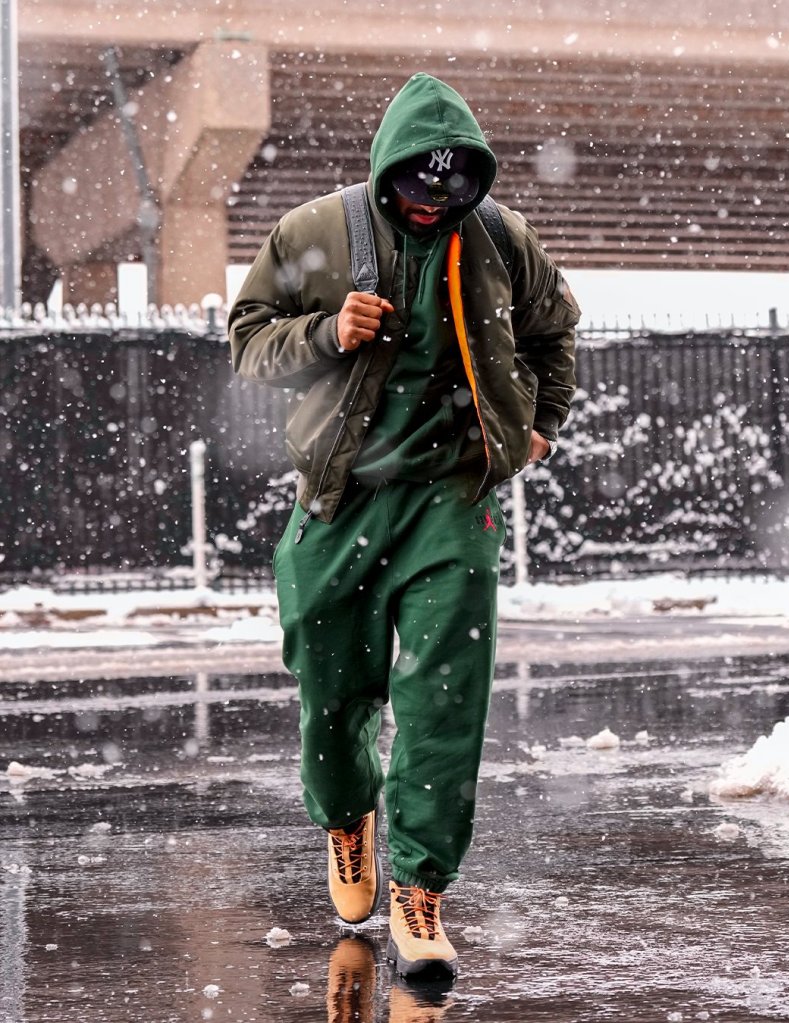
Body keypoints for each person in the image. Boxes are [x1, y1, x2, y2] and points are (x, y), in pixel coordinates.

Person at [228, 71, 579, 979]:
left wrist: (541, 424)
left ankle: (420, 891)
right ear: (387, 169)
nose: (431, 203)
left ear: (472, 180)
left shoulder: (500, 238)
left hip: (450, 502)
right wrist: (324, 333)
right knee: (330, 689)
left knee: (442, 703)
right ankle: (348, 818)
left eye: (449, 188)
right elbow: (247, 341)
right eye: (416, 186)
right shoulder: (314, 231)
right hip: (339, 499)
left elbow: (554, 333)